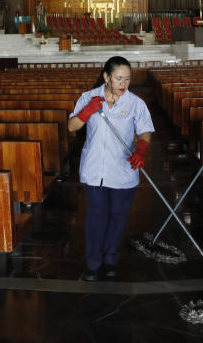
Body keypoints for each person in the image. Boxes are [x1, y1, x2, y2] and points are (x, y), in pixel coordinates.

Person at [68, 56, 155, 281]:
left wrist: (142, 149)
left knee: (118, 216)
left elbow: (145, 130)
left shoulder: (135, 103)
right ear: (106, 77)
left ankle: (110, 259)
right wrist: (87, 111)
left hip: (124, 170)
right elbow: (71, 126)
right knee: (96, 216)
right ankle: (93, 262)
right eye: (118, 78)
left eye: (127, 79)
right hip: (94, 169)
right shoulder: (88, 97)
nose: (123, 84)